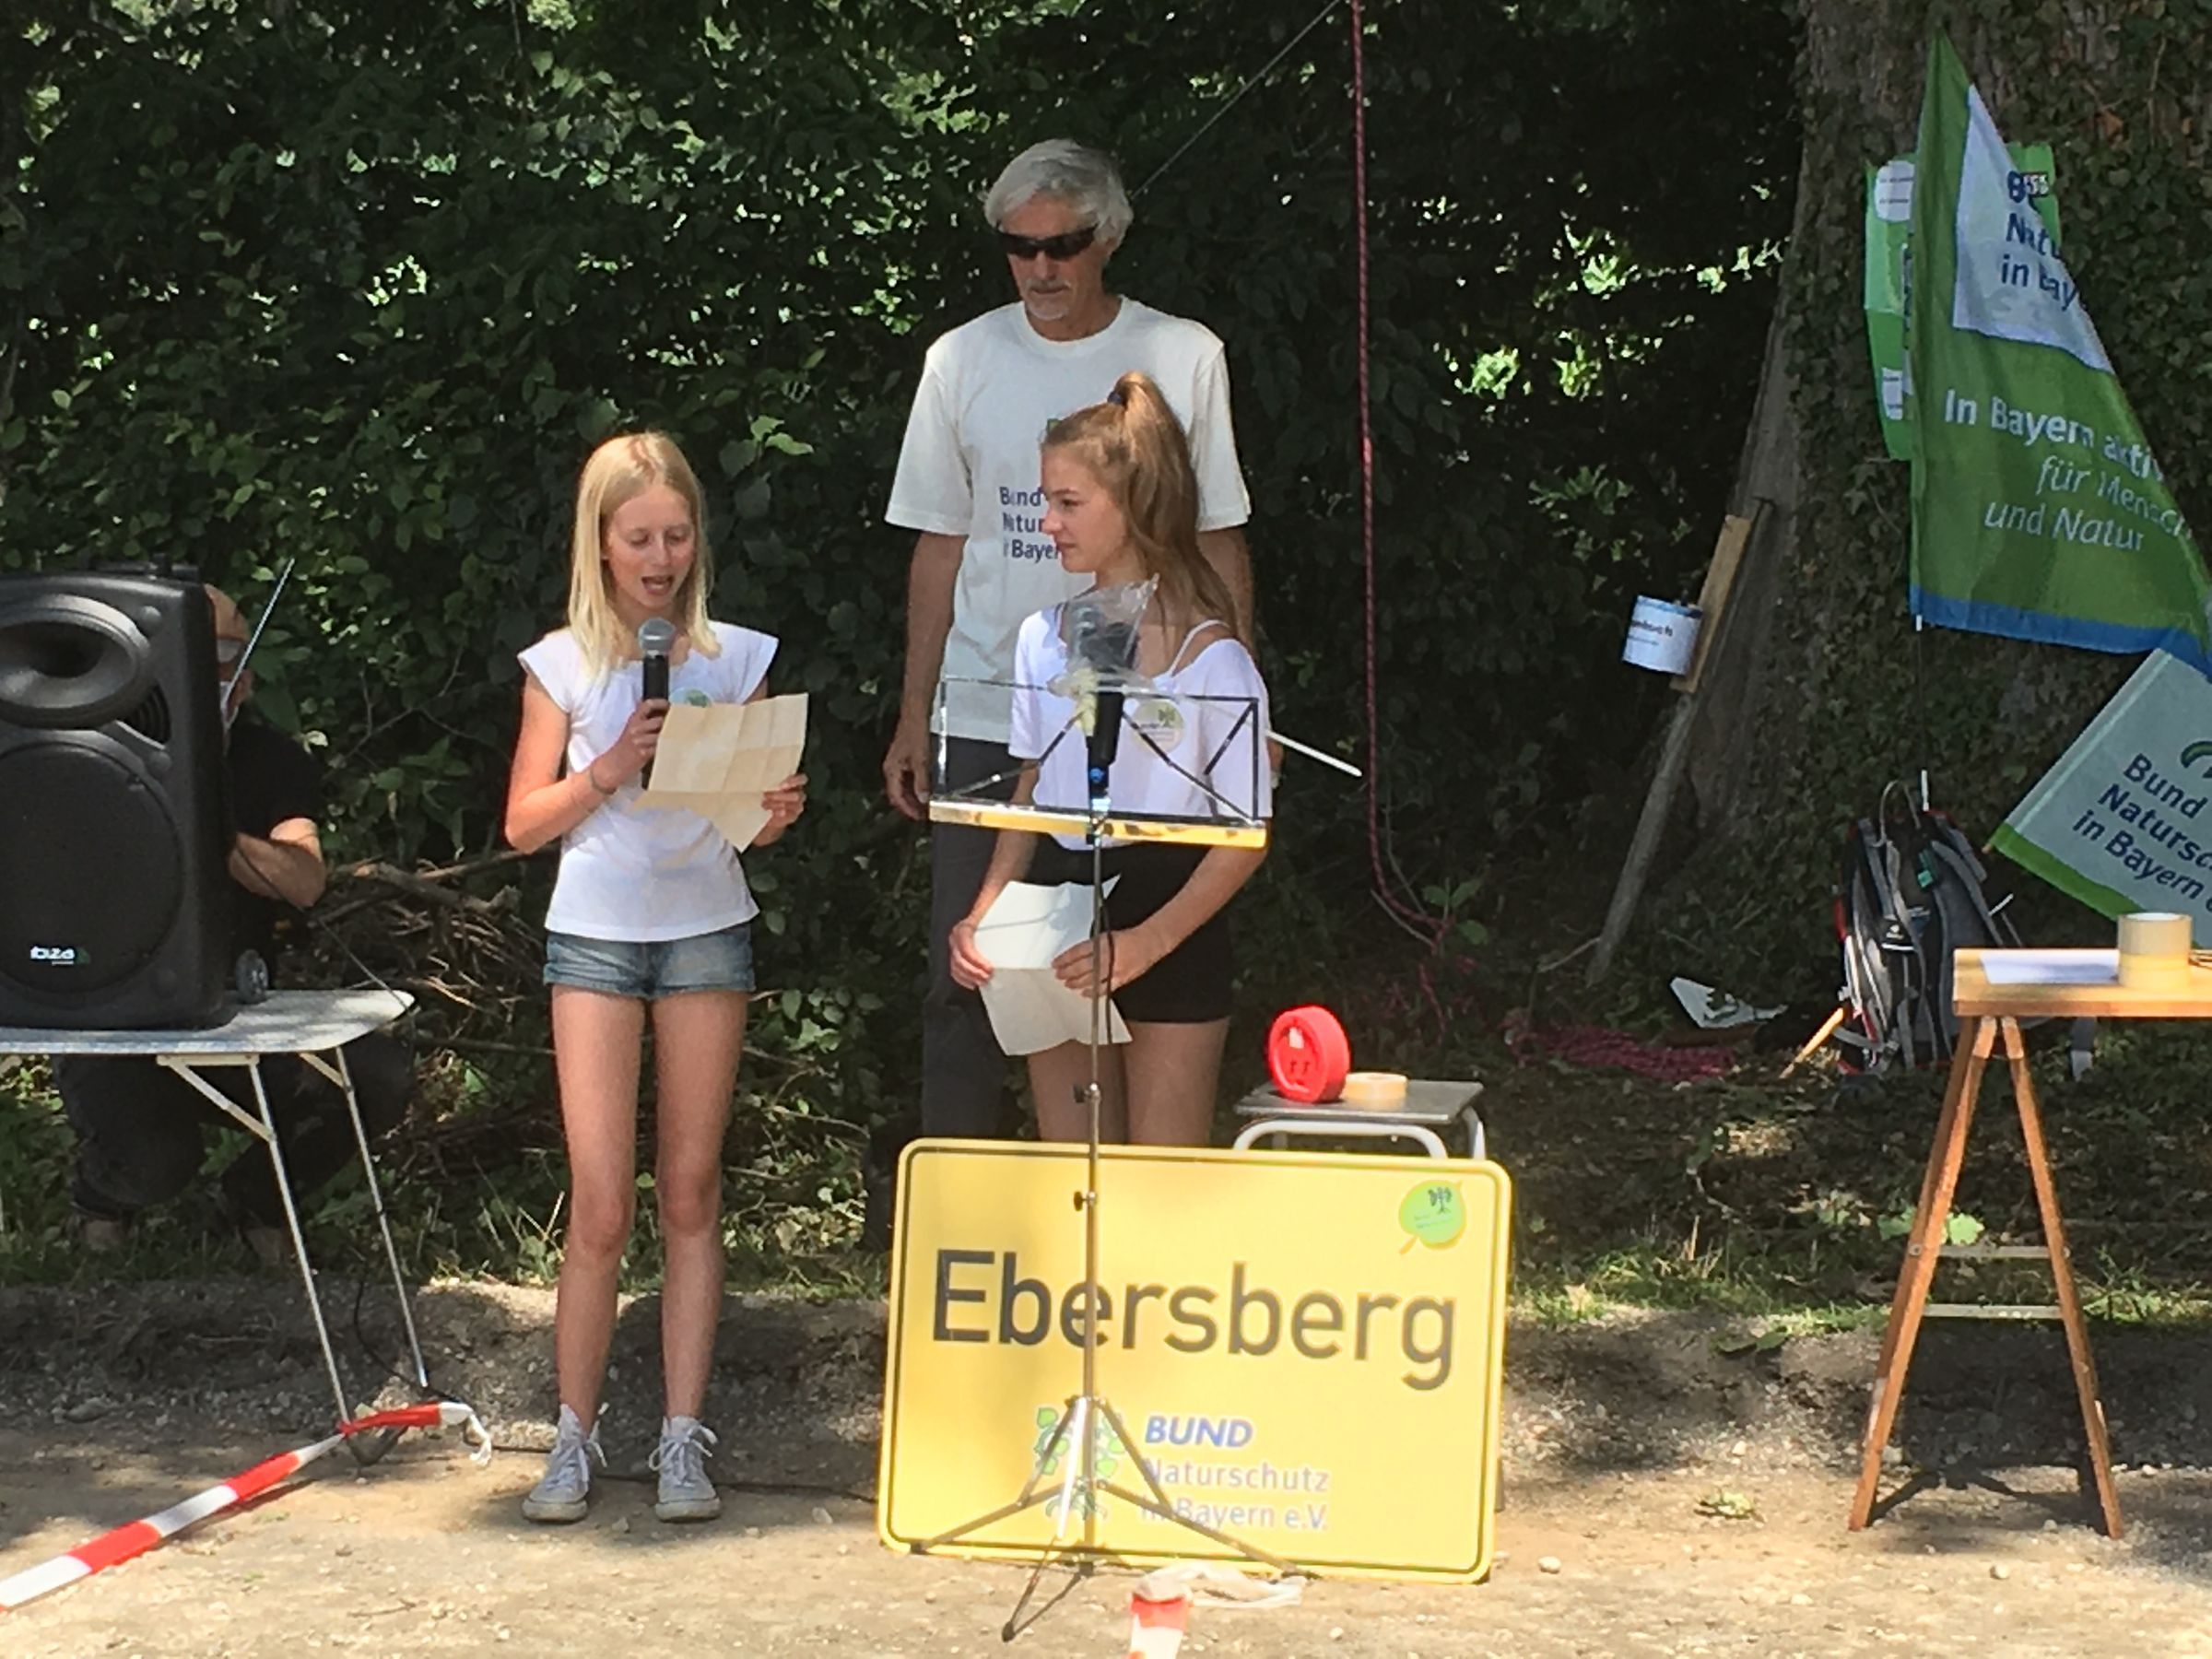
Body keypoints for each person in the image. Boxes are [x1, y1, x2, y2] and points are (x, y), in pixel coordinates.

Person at [882, 137, 1256, 1147]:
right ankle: (967, 1216)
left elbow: (1219, 532)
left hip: (1156, 739)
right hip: (1004, 712)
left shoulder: (1182, 355)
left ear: (1110, 237)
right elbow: (937, 540)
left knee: (1147, 989)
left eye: (1065, 245)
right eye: (1019, 247)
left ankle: (1148, 1245)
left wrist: (1233, 699)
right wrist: (914, 711)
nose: (1042, 268)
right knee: (977, 974)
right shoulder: (960, 358)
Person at [505, 431, 806, 1527]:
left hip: (705, 932)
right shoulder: (564, 664)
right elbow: (522, 821)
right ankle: (572, 1435)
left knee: (689, 1188)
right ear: (601, 542)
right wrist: (608, 766)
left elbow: (754, 815)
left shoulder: (736, 655)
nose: (662, 556)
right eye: (640, 537)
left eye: (677, 535)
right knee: (597, 1200)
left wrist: (771, 811)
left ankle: (683, 1436)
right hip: (592, 935)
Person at [947, 373, 1269, 1146]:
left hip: (1170, 900)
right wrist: (987, 910)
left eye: (1068, 502)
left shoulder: (1212, 659)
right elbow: (1033, 784)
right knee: (1074, 1167)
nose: (1048, 522)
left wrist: (1150, 940)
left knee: (1160, 1173)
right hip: (1060, 892)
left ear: (1133, 506)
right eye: (1045, 500)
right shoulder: (1041, 637)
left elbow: (1248, 834)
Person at [60, 585, 412, 1264]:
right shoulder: (90, 755)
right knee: (157, 1160)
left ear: (244, 679)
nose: (205, 673)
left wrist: (216, 828)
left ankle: (258, 1197)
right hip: (109, 1020)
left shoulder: (271, 760)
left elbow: (305, 882)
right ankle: (102, 1194)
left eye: (221, 659)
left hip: (231, 1016)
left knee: (376, 1074)